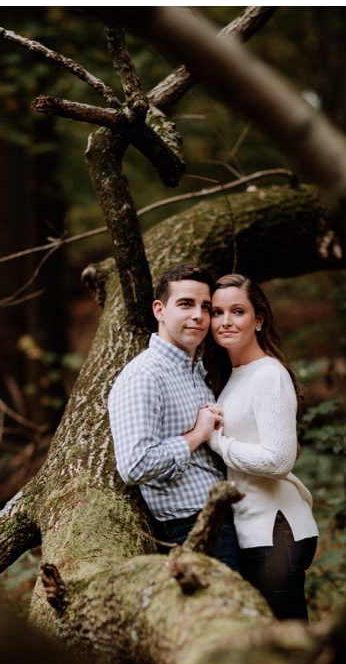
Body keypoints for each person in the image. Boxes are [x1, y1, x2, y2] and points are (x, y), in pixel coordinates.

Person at [108, 263, 241, 571]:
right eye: (186, 304)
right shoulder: (144, 376)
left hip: (221, 516)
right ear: (160, 310)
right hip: (190, 526)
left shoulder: (195, 371)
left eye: (205, 307)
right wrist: (197, 434)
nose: (199, 315)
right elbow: (135, 465)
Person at [205, 273, 318, 620]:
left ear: (259, 318)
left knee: (287, 640)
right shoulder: (236, 375)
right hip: (253, 528)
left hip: (276, 527)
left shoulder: (268, 374)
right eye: (217, 312)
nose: (225, 321)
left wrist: (217, 441)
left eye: (237, 311)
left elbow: (278, 460)